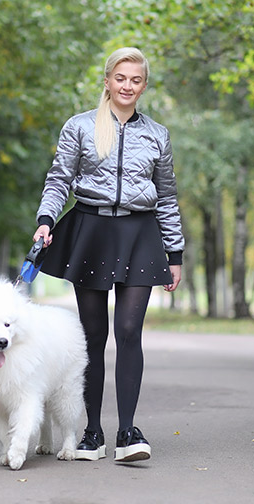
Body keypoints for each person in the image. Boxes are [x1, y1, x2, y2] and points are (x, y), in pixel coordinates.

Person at [32, 47, 184, 463]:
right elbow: (59, 177)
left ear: (144, 85)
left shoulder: (157, 134)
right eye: (121, 78)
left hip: (139, 233)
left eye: (136, 80)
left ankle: (128, 432)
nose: (127, 86)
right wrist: (46, 219)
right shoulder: (80, 127)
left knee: (130, 331)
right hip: (92, 230)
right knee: (94, 337)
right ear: (107, 80)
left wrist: (175, 252)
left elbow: (167, 197)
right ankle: (92, 432)